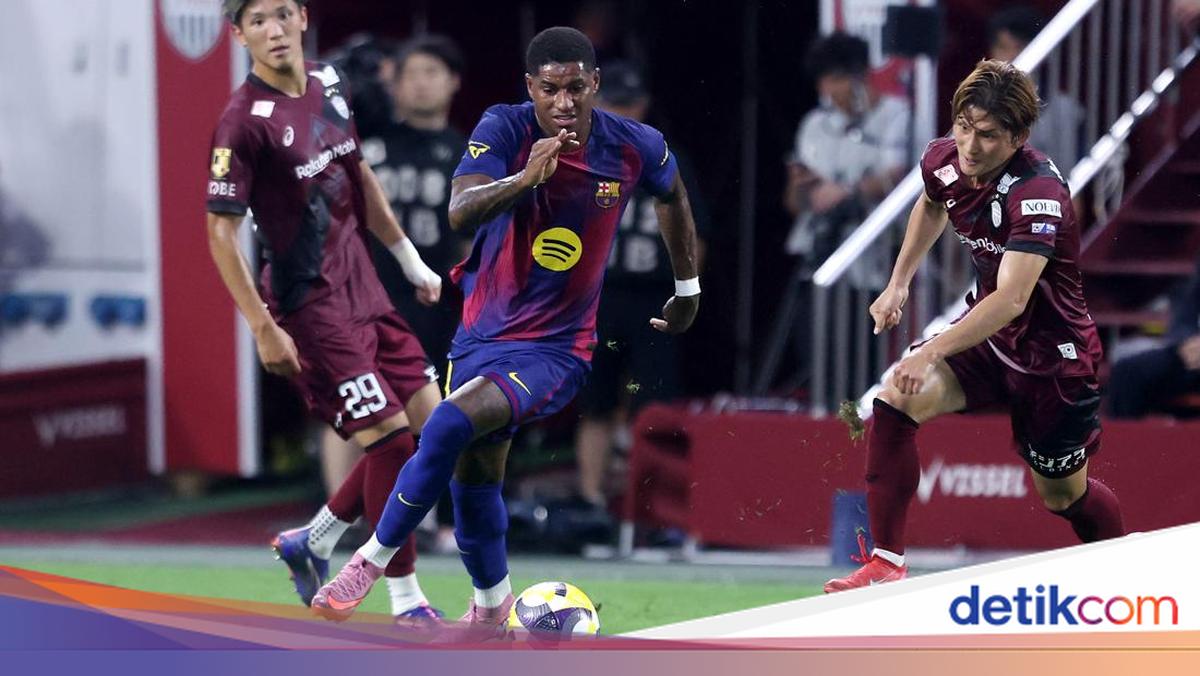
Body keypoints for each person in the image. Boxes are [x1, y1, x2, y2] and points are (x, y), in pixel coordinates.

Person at [310, 26, 701, 638]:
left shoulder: (634, 145)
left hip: (556, 348)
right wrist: (524, 179)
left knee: (445, 423)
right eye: (550, 89)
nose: (564, 101)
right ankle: (492, 608)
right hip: (480, 335)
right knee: (474, 479)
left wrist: (687, 287)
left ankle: (367, 562)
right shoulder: (504, 127)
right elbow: (459, 210)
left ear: (595, 84)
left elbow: (672, 194)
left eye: (576, 88)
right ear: (530, 88)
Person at [824, 60, 1125, 593]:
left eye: (986, 135)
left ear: (1018, 137)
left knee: (1063, 497)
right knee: (895, 399)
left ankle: (1128, 578)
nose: (969, 144)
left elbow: (1011, 299)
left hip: (1053, 359)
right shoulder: (945, 158)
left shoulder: (1037, 194)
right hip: (990, 342)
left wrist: (929, 351)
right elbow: (931, 203)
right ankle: (886, 565)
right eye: (964, 126)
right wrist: (899, 282)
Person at [205, 0, 445, 624]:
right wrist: (262, 326)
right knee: (391, 444)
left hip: (365, 286)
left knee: (439, 430)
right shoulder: (242, 123)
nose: (273, 29)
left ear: (304, 18)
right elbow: (220, 233)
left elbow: (359, 175)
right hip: (309, 304)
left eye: (282, 13)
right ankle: (406, 600)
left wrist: (410, 260)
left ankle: (311, 540)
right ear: (239, 35)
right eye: (257, 20)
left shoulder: (329, 81)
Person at [316, 35, 470, 551]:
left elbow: (475, 239)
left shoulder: (466, 153)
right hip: (361, 296)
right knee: (352, 408)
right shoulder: (368, 143)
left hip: (436, 303)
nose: (420, 83)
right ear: (393, 84)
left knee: (437, 414)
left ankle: (422, 515)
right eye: (410, 73)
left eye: (432, 72)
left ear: (454, 82)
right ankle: (339, 521)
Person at [573, 61, 708, 514]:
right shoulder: (577, 156)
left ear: (644, 106)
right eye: (615, 104)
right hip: (597, 297)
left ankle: (651, 509)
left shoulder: (666, 158)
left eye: (631, 104)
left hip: (654, 298)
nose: (625, 113)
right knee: (595, 402)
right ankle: (591, 501)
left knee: (654, 406)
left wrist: (688, 292)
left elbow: (695, 234)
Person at [783, 32, 910, 278]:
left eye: (835, 80)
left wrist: (846, 192)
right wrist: (801, 188)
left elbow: (897, 176)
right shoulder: (814, 124)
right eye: (822, 83)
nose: (828, 91)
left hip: (872, 259)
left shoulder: (897, 115)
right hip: (815, 253)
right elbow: (794, 204)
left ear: (861, 75)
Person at [986, 6, 1086, 170]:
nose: (1011, 57)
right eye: (1003, 48)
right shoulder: (976, 105)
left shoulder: (1064, 110)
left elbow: (1071, 177)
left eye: (1018, 47)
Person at [1106, 259, 1200, 418]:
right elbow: (1185, 313)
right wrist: (1186, 342)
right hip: (1193, 352)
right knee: (1128, 372)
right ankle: (1123, 434)